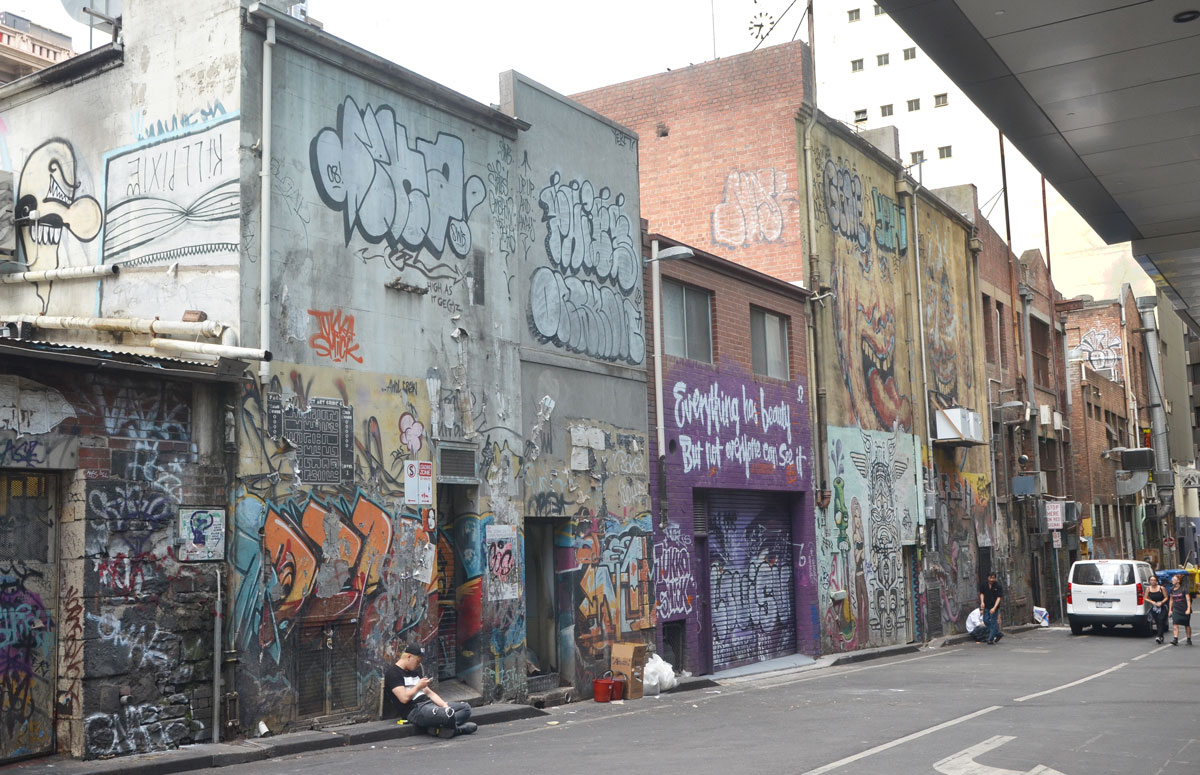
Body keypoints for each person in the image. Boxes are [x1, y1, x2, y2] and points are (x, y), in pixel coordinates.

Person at [382, 643, 477, 737]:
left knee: (465, 708)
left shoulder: (414, 672)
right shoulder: (393, 673)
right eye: (417, 661)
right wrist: (418, 686)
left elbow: (430, 694)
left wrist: (445, 705)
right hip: (415, 710)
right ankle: (458, 730)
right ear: (409, 657)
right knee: (448, 714)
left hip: (430, 704)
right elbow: (403, 698)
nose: (418, 665)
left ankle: (440, 728)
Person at [978, 572, 1004, 645]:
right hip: (986, 605)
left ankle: (990, 639)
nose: (992, 579)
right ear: (988, 577)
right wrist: (982, 602)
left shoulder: (998, 586)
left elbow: (999, 598)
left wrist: (994, 608)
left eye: (993, 578)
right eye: (990, 578)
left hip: (994, 606)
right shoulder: (984, 585)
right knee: (985, 620)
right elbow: (982, 593)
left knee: (993, 622)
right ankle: (998, 633)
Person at [1168, 574, 1192, 646]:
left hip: (1184, 609)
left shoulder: (1184, 589)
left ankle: (1188, 639)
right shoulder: (1172, 589)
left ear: (1178, 581)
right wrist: (1170, 610)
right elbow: (1171, 600)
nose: (1172, 580)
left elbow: (1188, 600)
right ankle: (1175, 639)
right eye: (1172, 579)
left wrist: (1188, 609)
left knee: (1186, 624)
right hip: (1176, 609)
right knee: (1175, 623)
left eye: (1174, 579)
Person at [1145, 575, 1169, 644]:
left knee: (1161, 620)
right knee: (1158, 622)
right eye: (1151, 580)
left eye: (1154, 580)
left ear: (1157, 581)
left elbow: (1166, 597)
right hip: (1155, 607)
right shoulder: (1148, 589)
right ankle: (1161, 636)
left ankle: (1159, 636)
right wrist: (1152, 602)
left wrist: (1161, 602)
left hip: (1162, 606)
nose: (1153, 582)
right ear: (1149, 581)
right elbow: (1145, 598)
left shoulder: (1161, 588)